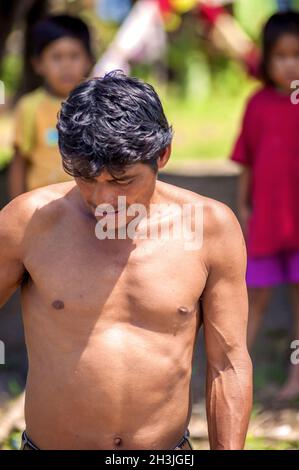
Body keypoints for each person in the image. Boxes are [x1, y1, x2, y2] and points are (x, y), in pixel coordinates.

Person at [1, 71, 252, 450]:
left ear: (162, 155)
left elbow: (228, 365)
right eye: (86, 178)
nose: (102, 199)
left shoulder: (210, 228)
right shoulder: (28, 222)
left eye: (122, 181)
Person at [231, 11, 299, 401]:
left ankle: (293, 381)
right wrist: (243, 205)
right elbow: (247, 160)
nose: (290, 63)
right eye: (281, 55)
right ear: (266, 60)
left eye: (297, 54)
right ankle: (232, 378)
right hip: (268, 222)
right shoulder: (257, 104)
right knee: (252, 299)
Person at [8, 14, 93, 198]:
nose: (66, 65)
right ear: (38, 64)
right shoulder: (29, 107)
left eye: (74, 56)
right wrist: (16, 205)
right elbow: (20, 162)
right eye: (57, 57)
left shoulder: (97, 103)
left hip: (87, 206)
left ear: (88, 60)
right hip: (42, 207)